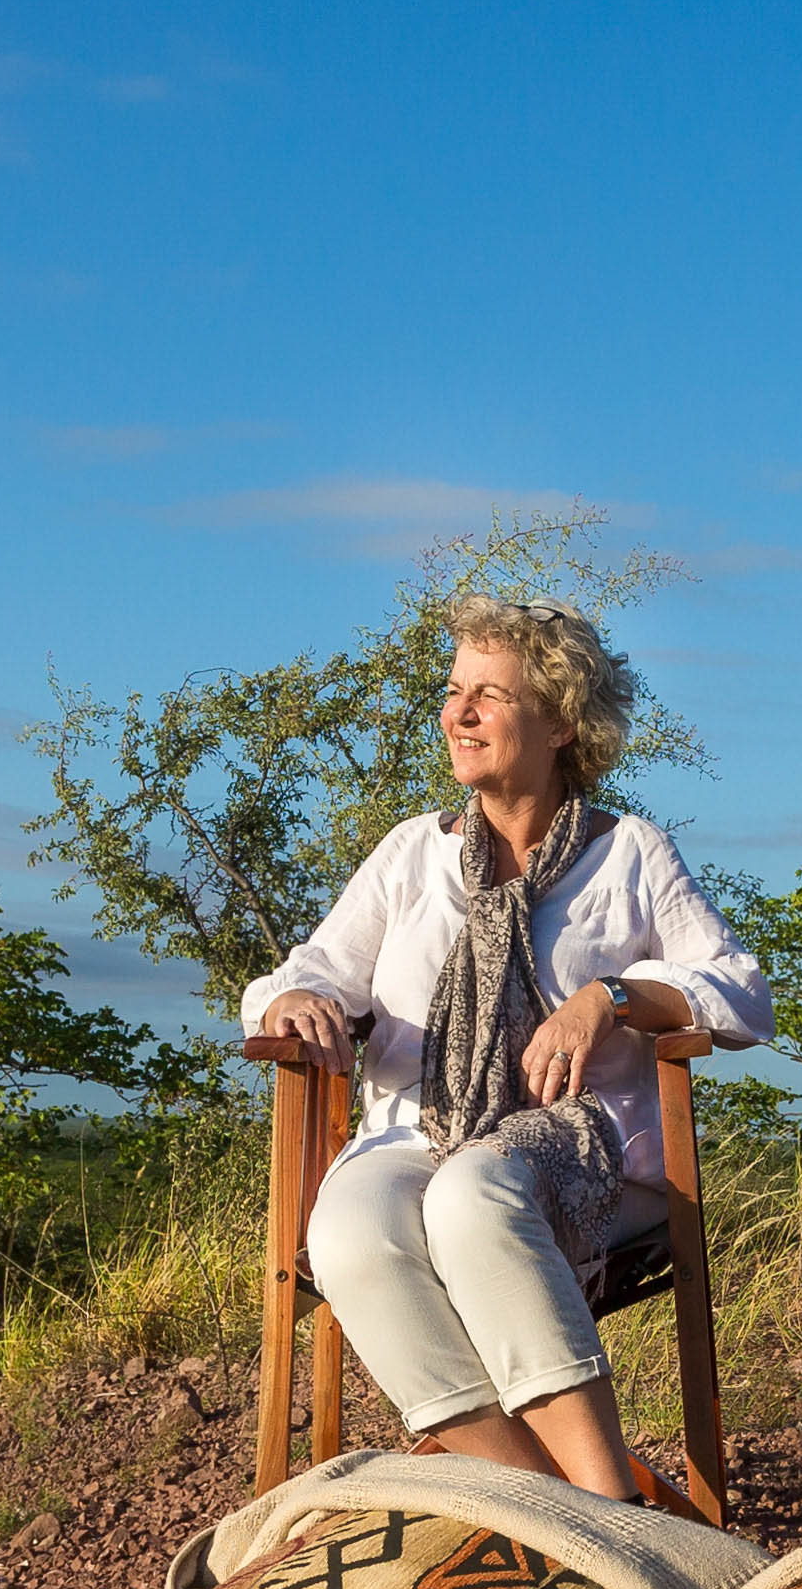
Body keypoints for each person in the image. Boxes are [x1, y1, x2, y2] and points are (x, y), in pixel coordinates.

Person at [242, 597, 771, 1501]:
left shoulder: (631, 855)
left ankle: (603, 1498)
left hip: (579, 1149)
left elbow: (740, 992)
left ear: (562, 721)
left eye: (488, 695)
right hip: (417, 1133)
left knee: (472, 1194)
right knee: (346, 1231)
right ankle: (567, 1514)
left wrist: (611, 996)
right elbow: (307, 974)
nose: (458, 714)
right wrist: (296, 998)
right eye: (454, 692)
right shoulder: (413, 856)